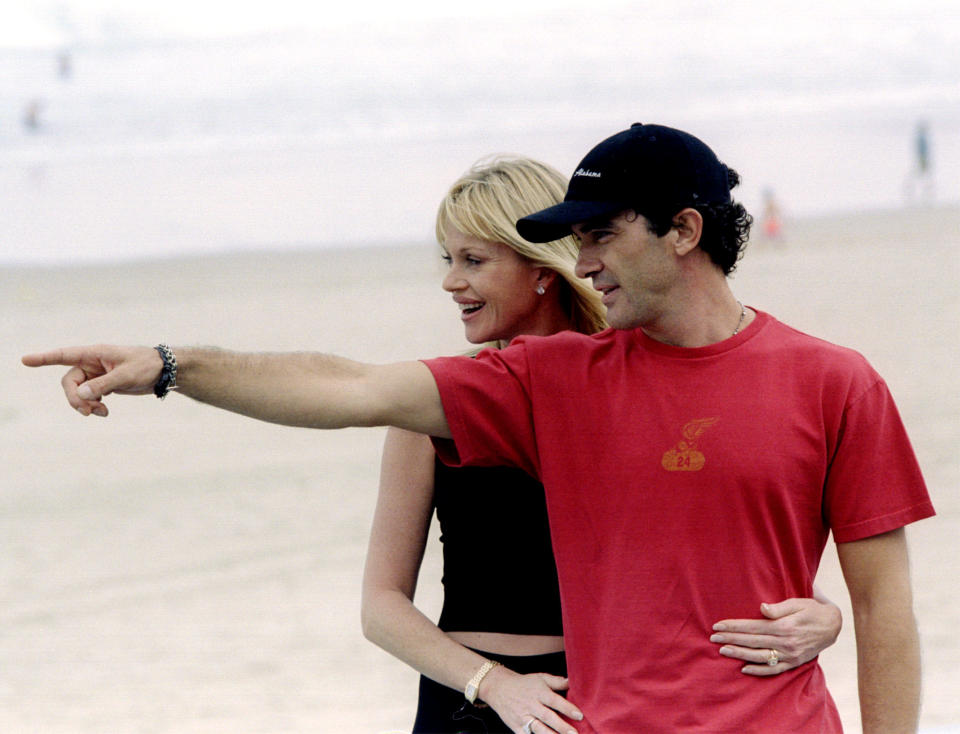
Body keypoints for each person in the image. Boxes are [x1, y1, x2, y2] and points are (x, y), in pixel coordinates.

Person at [23, 122, 934, 734]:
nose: (580, 262)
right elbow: (349, 387)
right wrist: (174, 366)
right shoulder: (549, 383)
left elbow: (884, 607)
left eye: (599, 236)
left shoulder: (836, 382)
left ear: (683, 230)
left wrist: (829, 628)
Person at [360, 156, 842, 734]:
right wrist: (495, 685)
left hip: (616, 700)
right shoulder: (437, 402)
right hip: (476, 708)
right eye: (450, 259)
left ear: (540, 267)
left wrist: (823, 614)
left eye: (474, 260)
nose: (451, 281)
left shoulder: (637, 385)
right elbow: (381, 606)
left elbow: (732, 553)